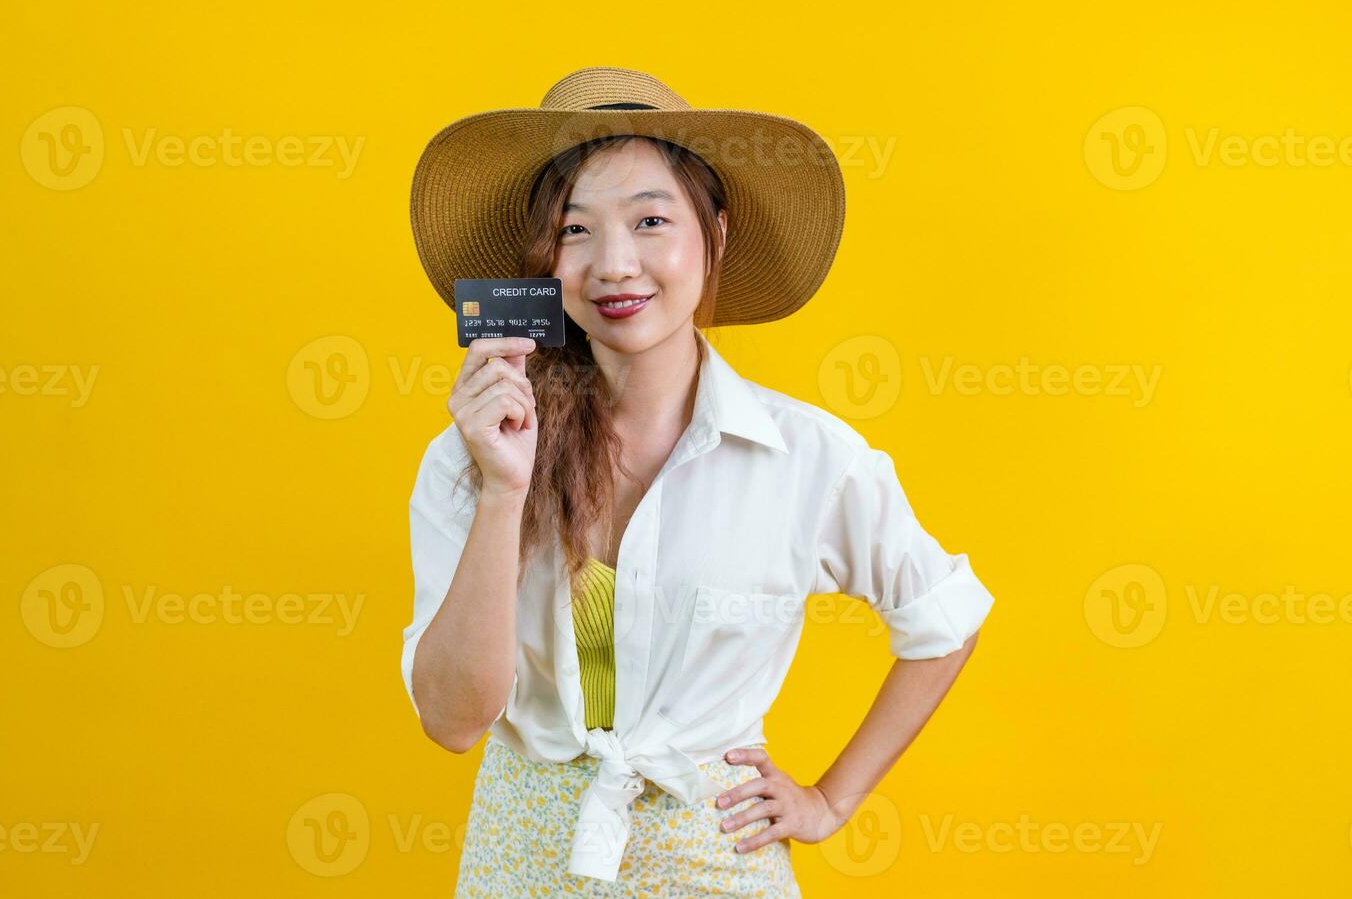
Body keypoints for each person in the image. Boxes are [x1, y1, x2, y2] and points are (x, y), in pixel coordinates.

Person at [401, 66, 995, 896]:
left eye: (650, 220)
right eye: (575, 230)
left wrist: (828, 799)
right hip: (520, 859)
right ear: (542, 261)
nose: (615, 264)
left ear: (713, 234)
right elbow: (453, 721)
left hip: (716, 862)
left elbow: (943, 619)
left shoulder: (807, 457)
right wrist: (504, 490)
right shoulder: (468, 458)